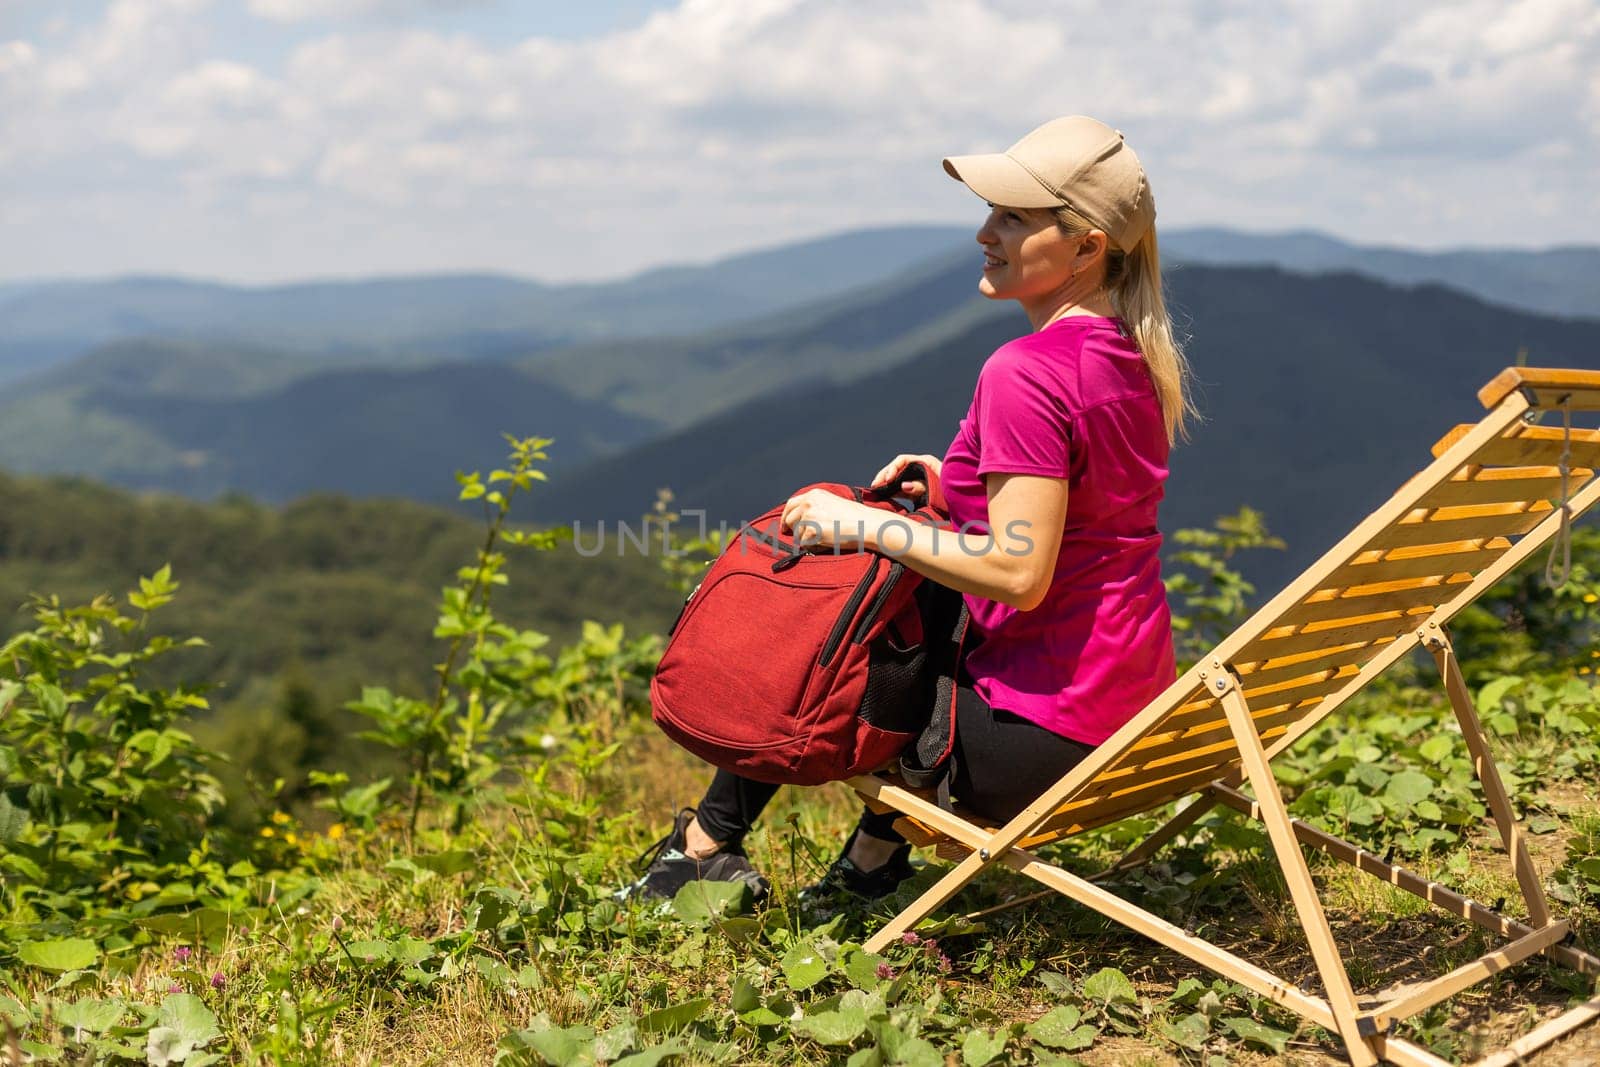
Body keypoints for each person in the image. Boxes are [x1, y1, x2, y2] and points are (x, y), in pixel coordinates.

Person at [622, 115, 1194, 909]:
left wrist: (861, 524)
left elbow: (1020, 573)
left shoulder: (1025, 371)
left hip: (1034, 740)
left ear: (1087, 247)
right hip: (1128, 706)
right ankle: (858, 863)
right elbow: (1084, 518)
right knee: (904, 579)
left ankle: (699, 852)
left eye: (1014, 217)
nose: (984, 233)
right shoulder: (1130, 357)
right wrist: (953, 482)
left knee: (821, 616)